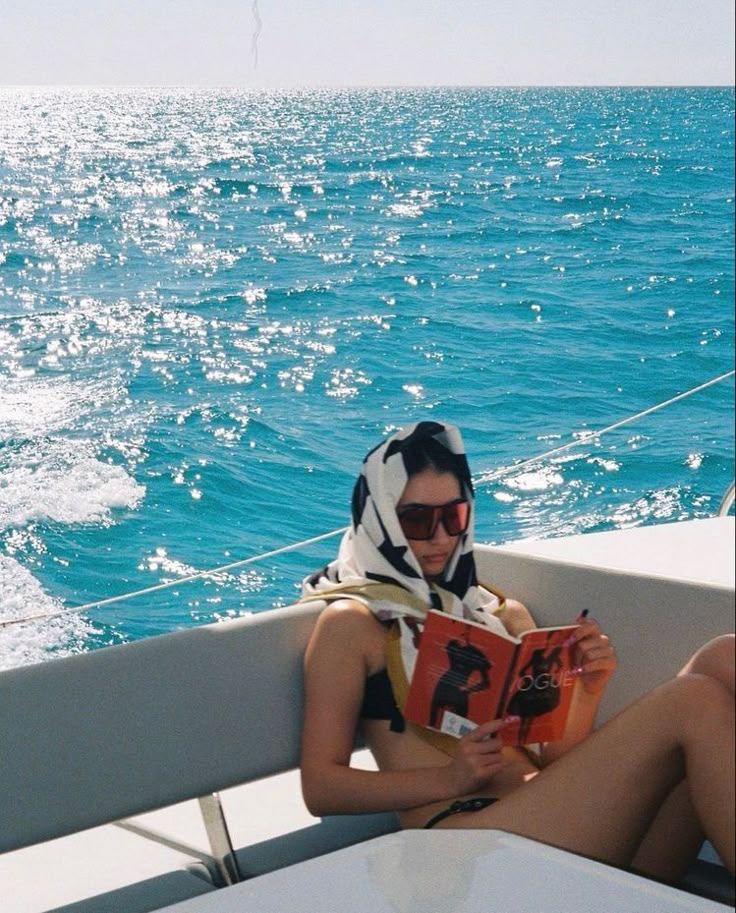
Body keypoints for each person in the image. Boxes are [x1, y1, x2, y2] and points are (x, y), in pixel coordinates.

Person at [300, 420, 735, 883]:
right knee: (694, 700)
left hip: (557, 827)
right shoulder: (355, 623)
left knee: (723, 657)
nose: (440, 537)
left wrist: (587, 688)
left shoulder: (498, 614)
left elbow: (553, 762)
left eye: (454, 516)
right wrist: (450, 780)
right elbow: (322, 788)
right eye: (417, 520)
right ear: (381, 520)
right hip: (470, 845)